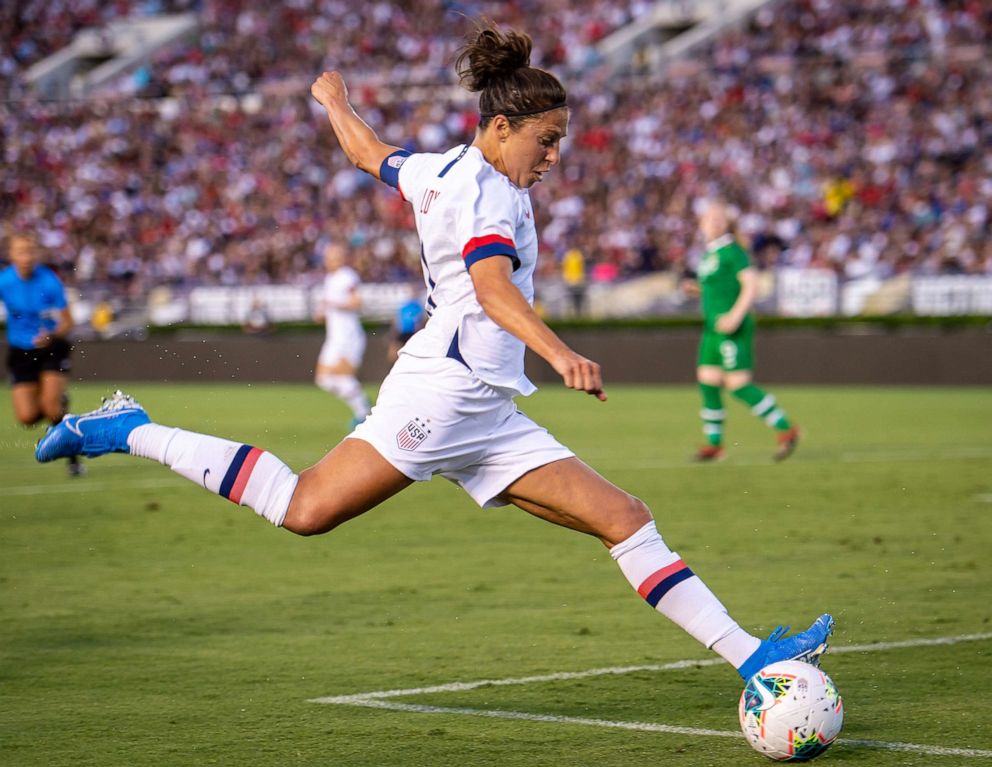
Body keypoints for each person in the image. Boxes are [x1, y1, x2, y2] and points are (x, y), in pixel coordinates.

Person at [35, 23, 831, 681]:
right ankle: (126, 428)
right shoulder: (489, 192)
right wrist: (561, 353)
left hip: (485, 405)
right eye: (545, 141)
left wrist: (334, 101)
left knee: (625, 517)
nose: (553, 157)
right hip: (440, 397)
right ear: (499, 127)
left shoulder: (439, 170)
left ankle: (757, 657)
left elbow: (367, 153)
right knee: (304, 508)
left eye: (561, 143)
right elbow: (491, 289)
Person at [684, 202, 800, 462]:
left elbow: (750, 285)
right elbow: (721, 288)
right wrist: (697, 290)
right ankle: (715, 444)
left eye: (718, 218)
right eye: (709, 218)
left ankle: (786, 428)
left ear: (727, 224)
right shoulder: (709, 254)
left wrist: (736, 316)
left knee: (737, 384)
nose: (713, 222)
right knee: (708, 381)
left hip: (731, 326)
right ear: (701, 224)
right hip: (713, 328)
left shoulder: (733, 252)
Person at [1, 232, 83, 476]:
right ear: (11, 255)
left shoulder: (49, 282)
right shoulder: (4, 281)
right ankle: (61, 408)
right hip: (20, 352)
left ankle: (73, 457)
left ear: (36, 254)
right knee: (27, 417)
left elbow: (68, 322)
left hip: (50, 348)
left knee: (50, 407)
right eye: (21, 251)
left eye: (30, 251)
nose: (26, 257)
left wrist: (52, 335)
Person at [314, 241, 371, 427]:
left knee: (342, 377)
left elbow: (356, 303)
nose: (329, 260)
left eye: (333, 256)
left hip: (348, 336)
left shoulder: (347, 276)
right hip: (335, 337)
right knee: (323, 379)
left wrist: (332, 304)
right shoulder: (330, 279)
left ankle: (363, 414)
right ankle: (363, 409)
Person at [387, 282, 426, 363]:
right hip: (403, 332)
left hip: (413, 333)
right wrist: (393, 333)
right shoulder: (404, 306)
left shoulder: (418, 306)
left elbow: (420, 321)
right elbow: (397, 320)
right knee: (393, 352)